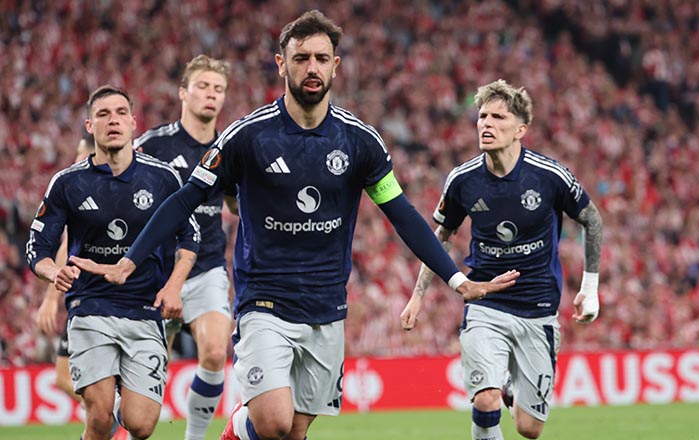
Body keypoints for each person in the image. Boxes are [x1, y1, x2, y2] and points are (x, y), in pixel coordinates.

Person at [70, 11, 518, 440]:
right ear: (281, 64)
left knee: (296, 430)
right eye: (301, 57)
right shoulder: (247, 136)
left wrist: (457, 280)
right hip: (264, 301)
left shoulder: (360, 141)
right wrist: (130, 260)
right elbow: (185, 198)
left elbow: (401, 213)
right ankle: (236, 428)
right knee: (272, 422)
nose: (312, 67)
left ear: (336, 66)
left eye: (322, 58)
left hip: (327, 307)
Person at [400, 79, 603, 440]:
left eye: (498, 117)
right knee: (485, 400)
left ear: (520, 129)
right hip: (486, 304)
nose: (486, 124)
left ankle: (511, 389)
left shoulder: (549, 176)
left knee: (529, 428)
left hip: (538, 308)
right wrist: (418, 295)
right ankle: (495, 393)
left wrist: (590, 287)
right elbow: (440, 237)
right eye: (482, 116)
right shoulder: (462, 180)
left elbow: (592, 219)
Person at [27, 85, 200, 440]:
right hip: (90, 306)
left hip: (144, 308)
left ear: (134, 122)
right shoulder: (68, 183)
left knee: (141, 425)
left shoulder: (163, 178)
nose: (113, 121)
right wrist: (53, 272)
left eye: (121, 113)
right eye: (103, 115)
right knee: (100, 417)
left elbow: (191, 236)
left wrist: (174, 286)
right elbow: (37, 247)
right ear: (89, 126)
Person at [134, 54, 234, 440]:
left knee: (215, 352)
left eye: (218, 89)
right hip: (158, 272)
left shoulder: (229, 148)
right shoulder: (153, 145)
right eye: (203, 86)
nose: (211, 95)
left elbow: (235, 204)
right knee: (147, 375)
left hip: (207, 267)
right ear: (183, 93)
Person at [36, 130, 96, 404]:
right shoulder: (77, 191)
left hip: (99, 297)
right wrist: (51, 297)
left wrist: (51, 299)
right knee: (64, 378)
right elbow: (65, 246)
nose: (76, 162)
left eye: (82, 156)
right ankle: (108, 416)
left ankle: (109, 415)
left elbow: (65, 249)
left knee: (82, 382)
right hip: (83, 296)